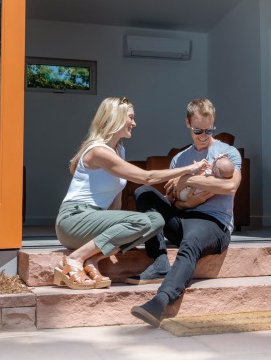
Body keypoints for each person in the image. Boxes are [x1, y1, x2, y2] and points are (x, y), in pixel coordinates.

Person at [54, 97, 209, 290]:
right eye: (131, 117)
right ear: (116, 118)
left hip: (94, 220)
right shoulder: (98, 151)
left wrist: (123, 232)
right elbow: (147, 177)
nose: (134, 123)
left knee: (156, 221)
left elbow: (115, 200)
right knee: (142, 221)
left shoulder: (119, 150)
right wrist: (188, 169)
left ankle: (92, 259)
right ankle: (75, 259)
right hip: (74, 220)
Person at [128, 98, 241, 327]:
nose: (203, 135)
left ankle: (161, 300)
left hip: (213, 224)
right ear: (188, 123)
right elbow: (175, 203)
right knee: (144, 193)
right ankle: (160, 260)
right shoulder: (180, 159)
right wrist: (188, 199)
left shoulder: (227, 154)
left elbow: (230, 186)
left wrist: (187, 179)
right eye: (198, 130)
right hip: (184, 219)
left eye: (209, 130)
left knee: (190, 244)